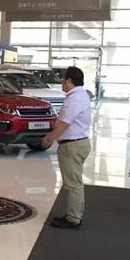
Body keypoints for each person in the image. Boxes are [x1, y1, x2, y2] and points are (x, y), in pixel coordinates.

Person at [41, 66, 92, 230]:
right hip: (77, 143)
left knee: (73, 184)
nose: (62, 82)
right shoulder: (80, 95)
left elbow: (64, 123)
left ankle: (73, 219)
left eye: (63, 79)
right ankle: (73, 214)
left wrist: (50, 138)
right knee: (73, 182)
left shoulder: (75, 98)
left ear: (69, 81)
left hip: (72, 146)